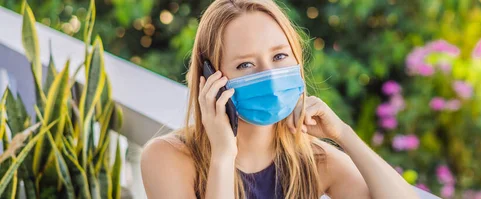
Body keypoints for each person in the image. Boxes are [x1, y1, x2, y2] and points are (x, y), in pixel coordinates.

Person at [140, 0, 419, 198]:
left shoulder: (313, 160)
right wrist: (223, 156)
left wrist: (343, 134)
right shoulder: (166, 157)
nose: (270, 76)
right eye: (245, 65)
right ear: (209, 77)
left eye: (279, 57)